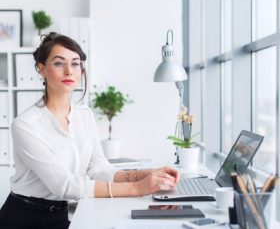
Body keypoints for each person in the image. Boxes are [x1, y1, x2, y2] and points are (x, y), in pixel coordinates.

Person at [0, 32, 180, 229]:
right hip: (24, 219)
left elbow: (98, 169)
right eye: (59, 63)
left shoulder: (84, 115)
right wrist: (137, 188)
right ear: (41, 69)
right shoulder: (25, 124)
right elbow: (66, 186)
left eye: (76, 63)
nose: (69, 71)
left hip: (60, 215)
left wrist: (146, 174)